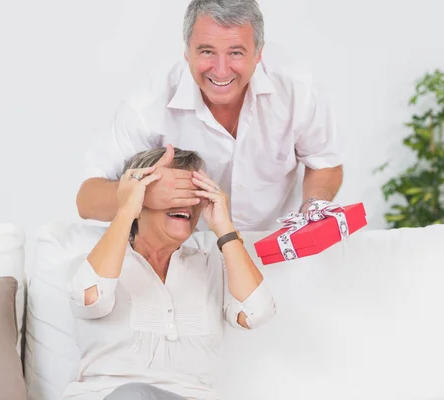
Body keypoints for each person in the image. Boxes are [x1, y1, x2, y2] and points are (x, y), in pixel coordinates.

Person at [76, 0, 343, 232]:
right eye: (207, 52)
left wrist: (313, 206)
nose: (221, 70)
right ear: (187, 52)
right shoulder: (148, 106)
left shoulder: (298, 87)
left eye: (236, 53)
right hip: (187, 253)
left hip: (276, 243)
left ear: (259, 53)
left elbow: (324, 162)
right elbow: (87, 200)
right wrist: (141, 193)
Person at [63, 147, 276, 400]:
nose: (186, 202)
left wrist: (224, 228)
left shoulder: (211, 267)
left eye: (194, 193)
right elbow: (92, 298)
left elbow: (256, 312)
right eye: (173, 193)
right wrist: (126, 207)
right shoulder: (94, 263)